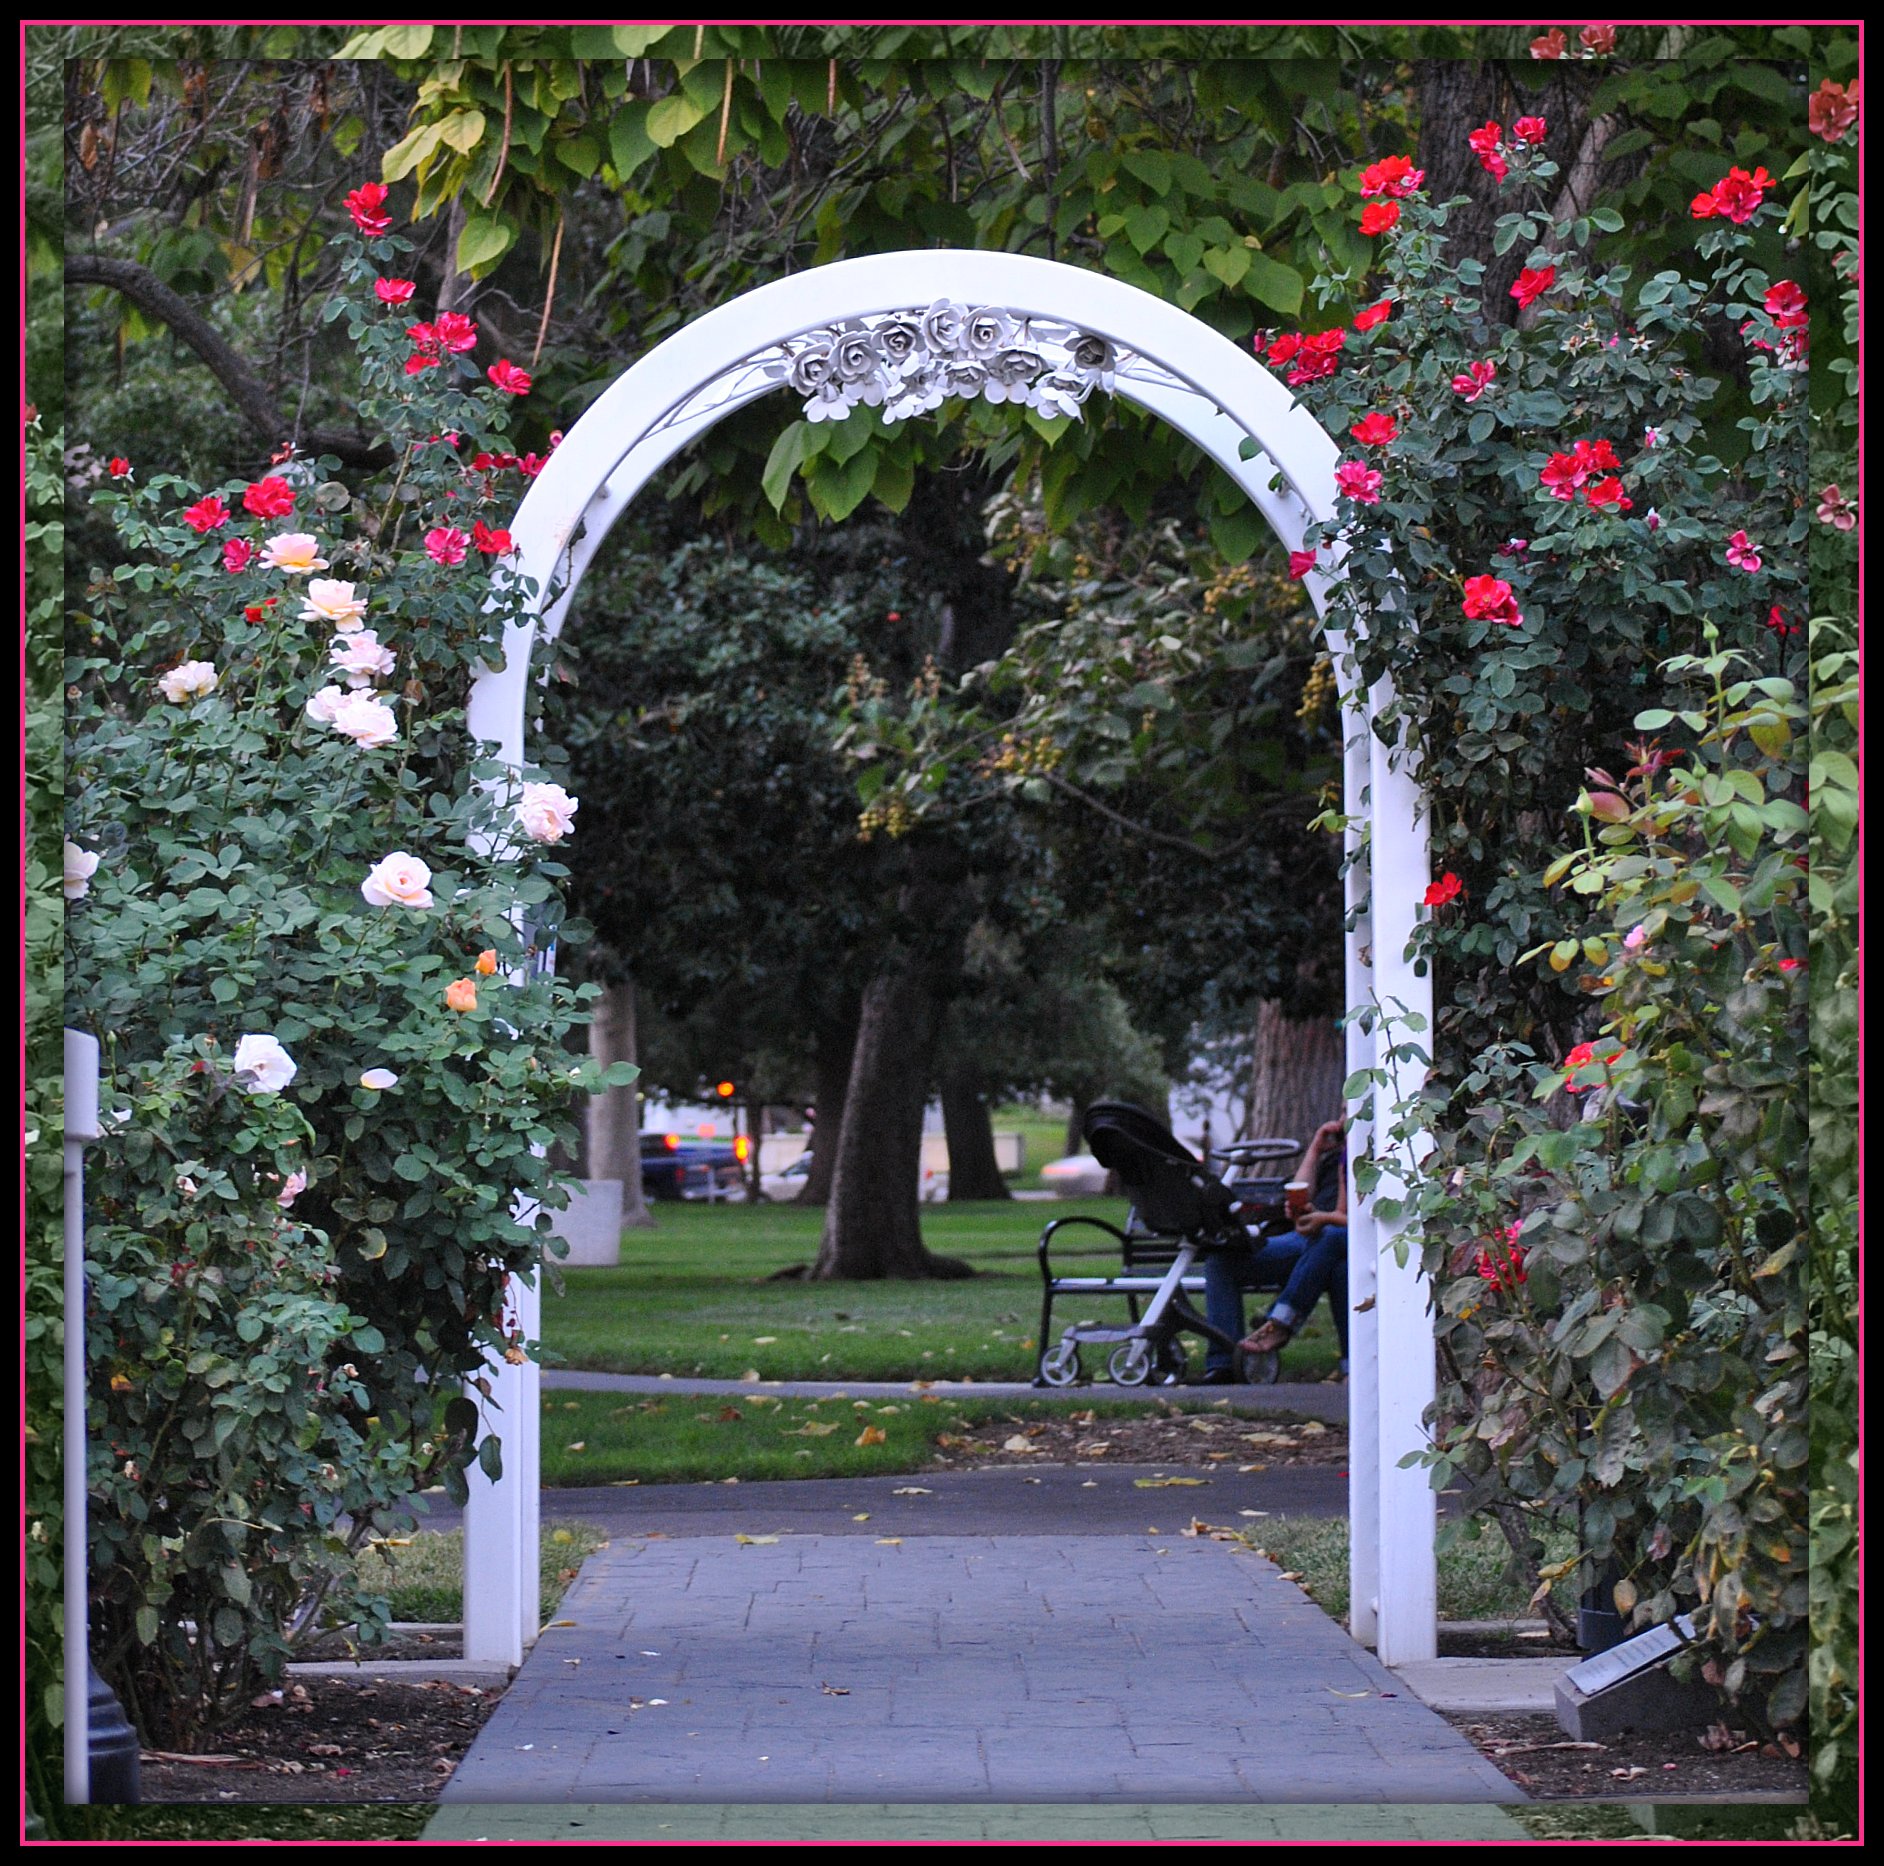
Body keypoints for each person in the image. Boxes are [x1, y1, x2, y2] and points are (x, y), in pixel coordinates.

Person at [1197, 1117, 1349, 1384]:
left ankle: (1282, 1325)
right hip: (1312, 1239)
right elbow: (1302, 1192)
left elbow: (1353, 1222)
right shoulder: (1336, 1156)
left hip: (1335, 1240)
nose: (1342, 1120)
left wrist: (1324, 1219)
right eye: (1342, 1110)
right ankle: (1224, 1363)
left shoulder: (1368, 1157)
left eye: (1350, 1110)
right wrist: (1315, 1150)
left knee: (1340, 1264)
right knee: (1222, 1257)